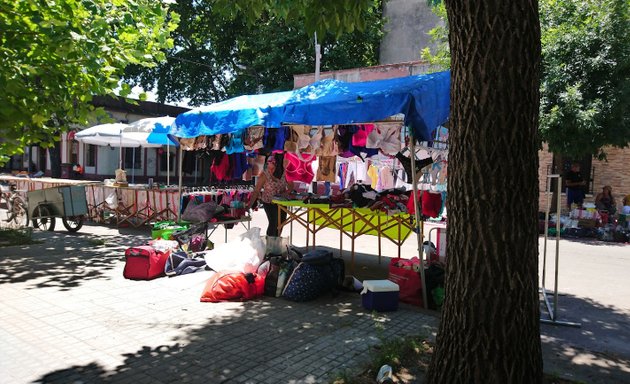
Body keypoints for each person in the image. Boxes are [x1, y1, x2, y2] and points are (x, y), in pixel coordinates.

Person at [247, 153, 294, 237]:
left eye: (272, 167)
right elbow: (256, 190)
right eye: (268, 165)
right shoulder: (264, 175)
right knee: (273, 222)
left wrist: (285, 193)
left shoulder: (284, 173)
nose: (270, 169)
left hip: (282, 203)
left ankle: (276, 240)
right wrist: (249, 205)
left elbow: (291, 186)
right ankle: (270, 243)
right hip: (269, 202)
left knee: (281, 223)